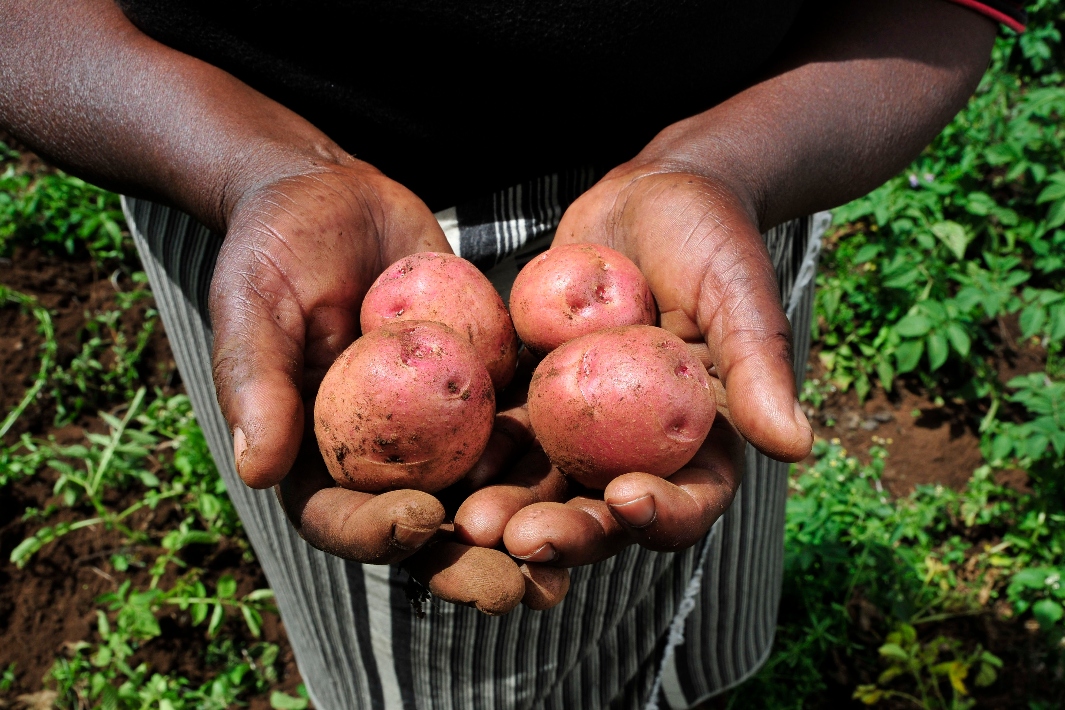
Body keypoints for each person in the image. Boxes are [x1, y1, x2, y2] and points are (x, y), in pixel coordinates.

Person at [0, 0, 1024, 707]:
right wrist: (251, 167)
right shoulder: (338, 288)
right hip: (265, 209)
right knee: (448, 653)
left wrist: (722, 166)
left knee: (697, 548)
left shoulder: (679, 301)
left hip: (729, 184)